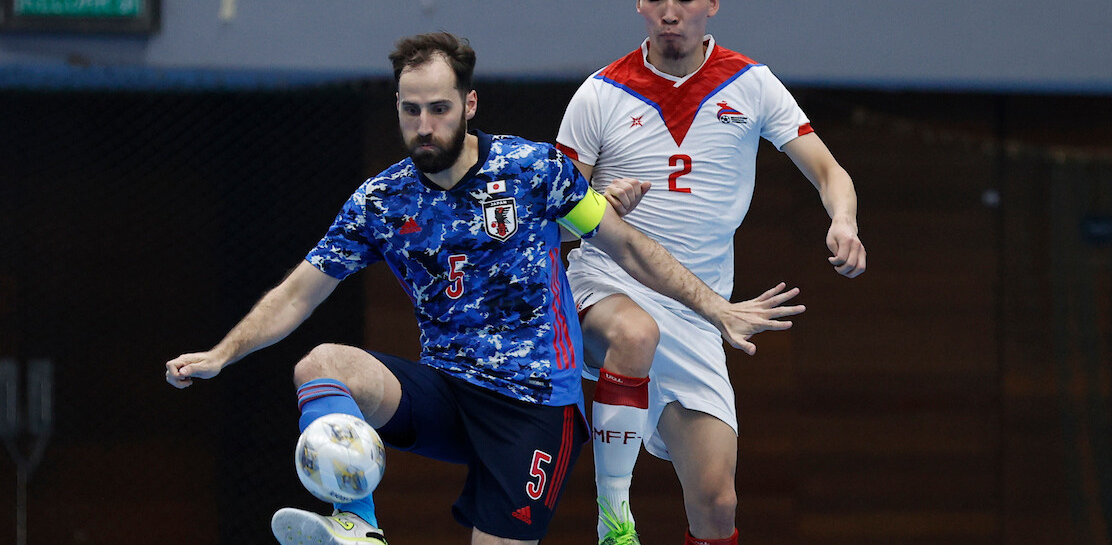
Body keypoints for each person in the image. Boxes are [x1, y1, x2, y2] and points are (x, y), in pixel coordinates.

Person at [165, 31, 806, 545]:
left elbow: (629, 246)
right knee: (322, 366)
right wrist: (223, 353)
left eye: (439, 109)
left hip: (534, 408)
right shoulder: (382, 201)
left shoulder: (534, 171)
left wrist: (716, 308)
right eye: (410, 110)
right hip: (447, 392)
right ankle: (357, 523)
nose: (424, 125)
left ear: (469, 105)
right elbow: (297, 293)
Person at [555, 0, 867, 545]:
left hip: (700, 309)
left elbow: (829, 170)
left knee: (717, 502)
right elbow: (551, 220)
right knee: (634, 332)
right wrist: (601, 203)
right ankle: (614, 518)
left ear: (712, 2)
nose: (669, 13)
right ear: (637, 1)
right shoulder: (598, 95)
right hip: (606, 285)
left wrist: (844, 218)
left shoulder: (752, 85)